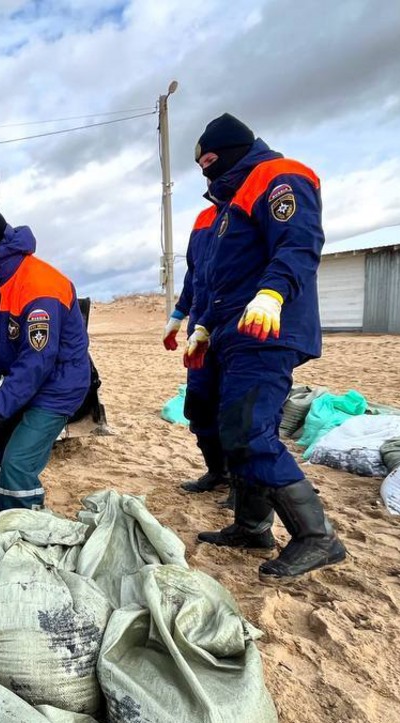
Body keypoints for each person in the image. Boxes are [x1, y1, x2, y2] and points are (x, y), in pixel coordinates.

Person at [185, 113, 347, 578]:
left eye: (210, 160)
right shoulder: (229, 204)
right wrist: (205, 326)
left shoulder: (279, 177)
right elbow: (223, 280)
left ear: (233, 151)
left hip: (267, 330)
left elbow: (298, 244)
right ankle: (253, 526)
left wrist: (273, 293)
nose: (204, 171)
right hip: (234, 331)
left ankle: (317, 536)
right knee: (232, 427)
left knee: (250, 431)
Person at [0, 207, 91, 532]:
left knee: (17, 465)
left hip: (57, 388)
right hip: (27, 384)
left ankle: (29, 536)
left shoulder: (40, 286)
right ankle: (5, 513)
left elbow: (37, 362)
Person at [163, 202, 234, 503]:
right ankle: (217, 471)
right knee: (199, 403)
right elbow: (195, 275)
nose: (207, 168)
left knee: (237, 411)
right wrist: (178, 315)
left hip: (238, 325)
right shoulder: (204, 219)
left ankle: (244, 485)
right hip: (201, 329)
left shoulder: (247, 207)